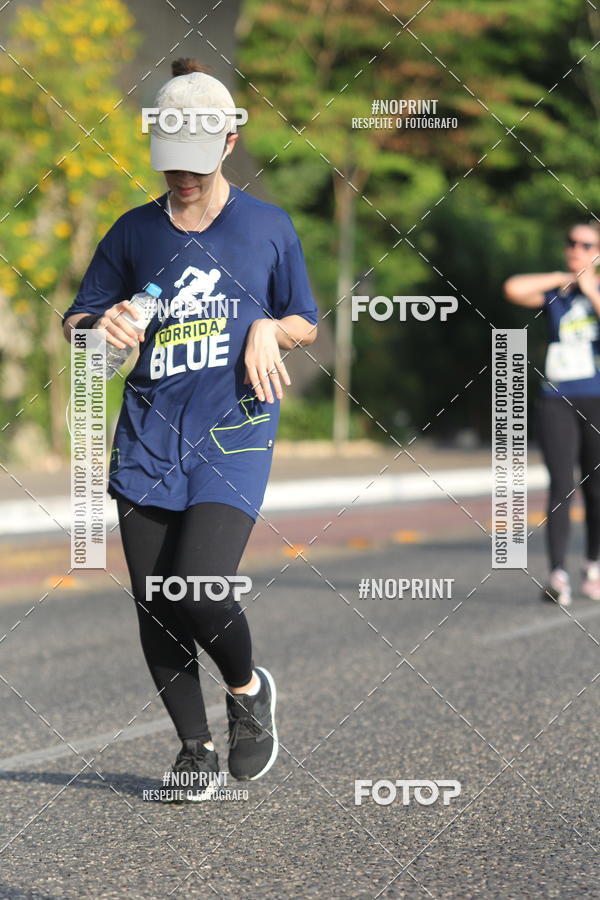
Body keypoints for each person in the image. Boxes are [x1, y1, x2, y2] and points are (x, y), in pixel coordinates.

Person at [61, 63, 318, 799]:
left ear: (230, 143)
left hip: (235, 434)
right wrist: (100, 329)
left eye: (197, 165)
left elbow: (304, 319)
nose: (182, 178)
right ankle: (193, 749)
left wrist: (270, 328)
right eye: (171, 163)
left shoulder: (267, 227)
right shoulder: (133, 232)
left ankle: (246, 690)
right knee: (155, 600)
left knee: (199, 586)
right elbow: (78, 325)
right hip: (148, 437)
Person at [504, 221, 600, 607]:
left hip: (597, 399)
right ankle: (557, 575)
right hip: (557, 398)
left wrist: (589, 287)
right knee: (561, 483)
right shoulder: (557, 293)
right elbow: (513, 288)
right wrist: (564, 278)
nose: (576, 248)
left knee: (596, 488)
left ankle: (593, 566)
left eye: (586, 244)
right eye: (571, 242)